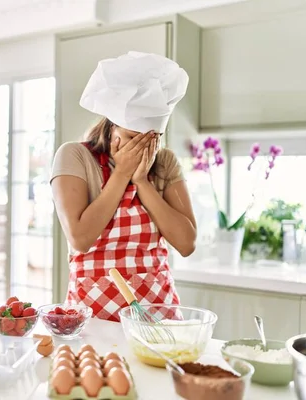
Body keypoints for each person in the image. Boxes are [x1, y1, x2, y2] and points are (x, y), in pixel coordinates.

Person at [50, 51, 197, 322]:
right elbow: (81, 239)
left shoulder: (163, 162)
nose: (142, 147)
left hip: (158, 313)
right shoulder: (74, 156)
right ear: (111, 128)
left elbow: (186, 244)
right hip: (94, 316)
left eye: (152, 139)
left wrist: (142, 182)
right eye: (131, 137)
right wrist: (122, 175)